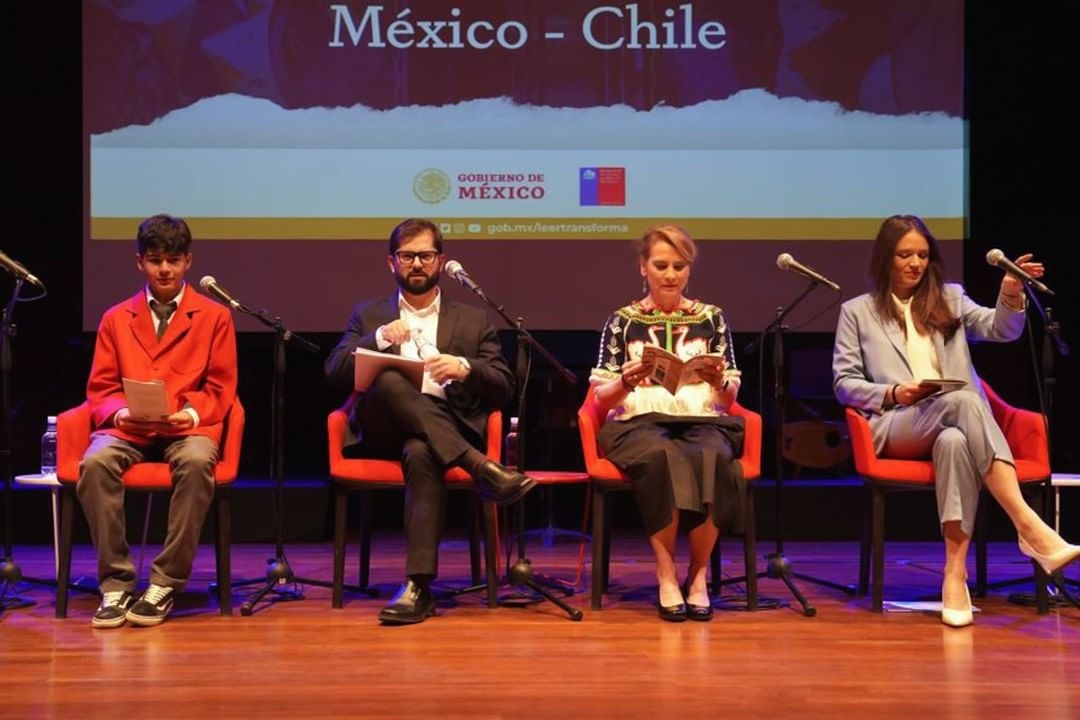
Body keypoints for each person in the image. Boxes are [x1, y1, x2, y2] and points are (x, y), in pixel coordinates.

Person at [832, 214, 1080, 627]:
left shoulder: (950, 297)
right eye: (904, 254)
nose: (915, 263)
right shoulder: (857, 312)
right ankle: (1028, 526)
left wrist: (1011, 294)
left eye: (923, 255)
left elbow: (1001, 330)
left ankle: (954, 575)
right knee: (964, 400)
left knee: (954, 441)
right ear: (885, 258)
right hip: (897, 424)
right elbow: (844, 383)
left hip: (952, 422)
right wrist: (895, 392)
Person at [324, 218, 536, 625]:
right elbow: (333, 371)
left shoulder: (473, 320)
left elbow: (504, 385)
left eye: (425, 255)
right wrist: (381, 339)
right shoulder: (370, 315)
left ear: (441, 260)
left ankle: (418, 586)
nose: (416, 264)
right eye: (407, 256)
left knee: (421, 450)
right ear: (392, 263)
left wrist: (464, 367)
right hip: (383, 428)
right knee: (387, 379)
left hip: (444, 430)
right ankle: (482, 469)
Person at [78, 214, 238, 628]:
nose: (164, 269)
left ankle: (165, 581)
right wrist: (121, 412)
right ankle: (115, 584)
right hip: (129, 426)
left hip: (187, 426)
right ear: (140, 263)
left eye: (172, 260)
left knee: (198, 461)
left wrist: (188, 413)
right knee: (95, 464)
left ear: (188, 261)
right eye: (154, 260)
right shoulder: (116, 317)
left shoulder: (215, 315)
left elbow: (222, 387)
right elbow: (100, 388)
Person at [589, 225, 745, 622]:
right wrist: (626, 379)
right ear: (644, 268)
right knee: (662, 456)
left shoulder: (712, 318)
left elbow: (730, 398)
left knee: (715, 459)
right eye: (661, 265)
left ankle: (698, 576)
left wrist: (717, 381)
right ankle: (666, 573)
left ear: (689, 270)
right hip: (638, 421)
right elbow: (599, 398)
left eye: (679, 265)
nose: (670, 274)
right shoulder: (622, 321)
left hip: (701, 417)